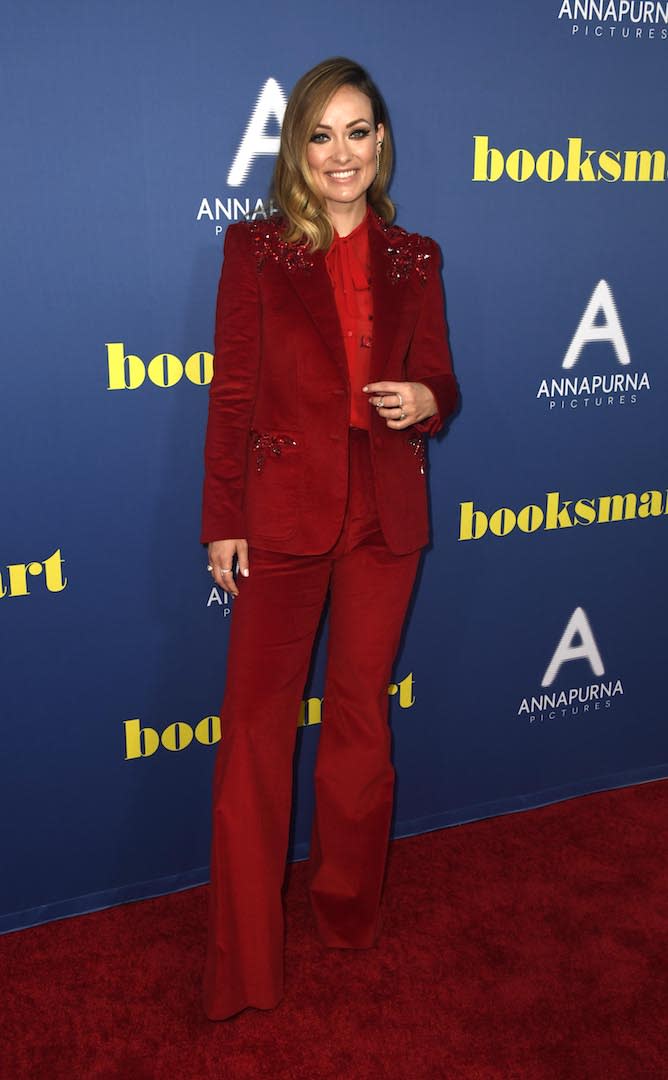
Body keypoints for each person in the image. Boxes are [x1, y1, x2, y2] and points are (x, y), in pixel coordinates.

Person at [200, 56, 458, 1021]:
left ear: (381, 143)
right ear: (296, 150)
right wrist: (223, 517)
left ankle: (348, 913)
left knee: (358, 725)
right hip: (280, 518)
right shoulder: (253, 251)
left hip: (383, 519)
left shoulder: (416, 256)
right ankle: (243, 961)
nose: (341, 152)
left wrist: (429, 399)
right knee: (257, 739)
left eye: (358, 131)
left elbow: (441, 378)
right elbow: (230, 395)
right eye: (321, 134)